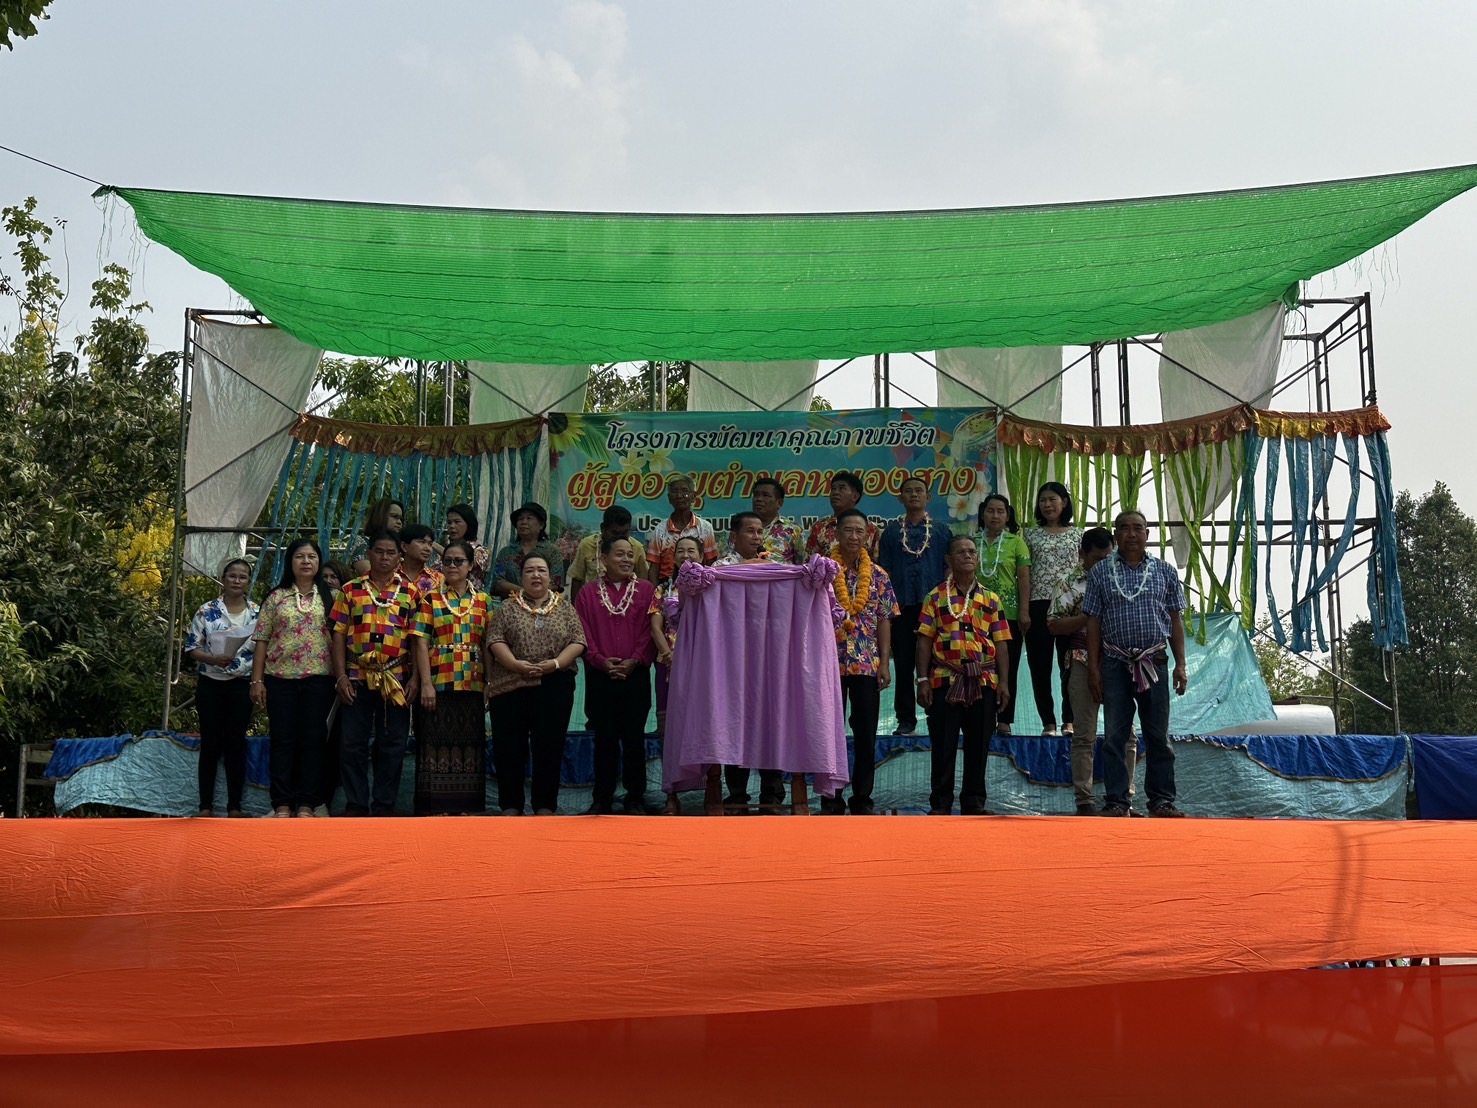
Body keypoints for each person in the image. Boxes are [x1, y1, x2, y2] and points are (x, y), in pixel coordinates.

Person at [1085, 511, 1189, 819]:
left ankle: (1161, 801)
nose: (1131, 534)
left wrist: (1181, 665)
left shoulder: (1165, 571)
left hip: (1154, 661)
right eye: (1125, 529)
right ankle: (1117, 801)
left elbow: (1175, 620)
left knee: (1158, 735)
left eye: (1138, 528)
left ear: (1147, 534)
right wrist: (1094, 669)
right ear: (1116, 535)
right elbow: (1093, 623)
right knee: (1114, 736)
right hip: (1115, 663)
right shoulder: (1100, 572)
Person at [915, 535, 1012, 815]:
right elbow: (924, 641)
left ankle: (974, 803)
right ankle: (941, 804)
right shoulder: (935, 597)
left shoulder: (991, 598)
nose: (968, 556)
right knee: (943, 744)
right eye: (961, 552)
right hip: (945, 679)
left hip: (983, 681)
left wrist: (1004, 683)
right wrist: (922, 680)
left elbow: (1002, 643)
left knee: (979, 745)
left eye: (972, 551)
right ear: (949, 560)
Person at [329, 531, 422, 816]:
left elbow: (418, 639)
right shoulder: (350, 590)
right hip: (356, 676)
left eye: (390, 552)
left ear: (399, 557)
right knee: (352, 743)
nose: (384, 557)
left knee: (393, 744)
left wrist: (416, 678)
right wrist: (341, 677)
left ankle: (384, 806)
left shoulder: (411, 592)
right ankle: (356, 804)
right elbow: (338, 634)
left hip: (396, 677)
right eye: (379, 551)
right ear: (369, 554)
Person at [486, 555, 586, 815]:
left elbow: (578, 641)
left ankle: (545, 806)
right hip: (511, 685)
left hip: (554, 684)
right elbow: (495, 640)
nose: (536, 575)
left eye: (541, 570)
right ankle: (510, 806)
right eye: (529, 570)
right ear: (521, 577)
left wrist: (555, 663)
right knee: (509, 747)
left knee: (549, 746)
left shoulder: (565, 608)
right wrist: (515, 665)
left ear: (551, 577)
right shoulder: (507, 608)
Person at [250, 538, 335, 818]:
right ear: (290, 562)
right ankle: (282, 804)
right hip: (280, 679)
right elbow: (262, 639)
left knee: (313, 741)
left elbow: (340, 638)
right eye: (300, 556)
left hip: (319, 680)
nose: (306, 561)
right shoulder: (276, 597)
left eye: (312, 556)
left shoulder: (332, 597)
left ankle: (308, 803)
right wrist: (257, 681)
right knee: (282, 741)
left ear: (319, 561)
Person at [823, 508, 899, 815]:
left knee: (866, 733)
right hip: (829, 663)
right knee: (830, 733)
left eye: (860, 531)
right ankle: (831, 798)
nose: (854, 536)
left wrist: (885, 663)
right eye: (848, 530)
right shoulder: (823, 571)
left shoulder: (878, 575)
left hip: (866, 663)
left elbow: (884, 620)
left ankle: (862, 798)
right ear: (836, 534)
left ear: (867, 536)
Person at [575, 536, 657, 814]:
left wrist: (635, 659)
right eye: (620, 554)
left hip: (636, 675)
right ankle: (602, 798)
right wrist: (599, 661)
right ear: (604, 559)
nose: (626, 560)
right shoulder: (587, 593)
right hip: (601, 675)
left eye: (630, 555)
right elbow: (582, 631)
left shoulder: (646, 590)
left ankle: (635, 798)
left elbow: (651, 630)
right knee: (604, 738)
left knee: (634, 738)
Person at [411, 540, 494, 815]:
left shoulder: (484, 600)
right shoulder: (430, 599)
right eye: (447, 561)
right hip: (439, 681)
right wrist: (426, 684)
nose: (453, 566)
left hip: (473, 682)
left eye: (459, 561)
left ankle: (466, 808)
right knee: (435, 742)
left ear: (471, 566)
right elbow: (420, 642)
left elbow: (488, 644)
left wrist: (490, 683)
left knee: (470, 744)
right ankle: (436, 808)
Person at [1046, 528, 1122, 815]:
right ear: (1082, 554)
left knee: (1124, 733)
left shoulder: (1123, 578)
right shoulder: (1068, 583)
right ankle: (1085, 801)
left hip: (1118, 660)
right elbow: (1053, 625)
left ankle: (1122, 799)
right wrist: (1088, 617)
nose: (1105, 563)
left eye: (1109, 557)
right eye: (1098, 558)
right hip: (1080, 659)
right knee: (1084, 734)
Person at [716, 513, 787, 809]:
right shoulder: (719, 569)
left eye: (760, 532)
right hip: (733, 660)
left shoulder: (774, 567)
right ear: (734, 537)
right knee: (735, 723)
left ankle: (772, 794)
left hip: (769, 658)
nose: (757, 537)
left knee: (771, 722)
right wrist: (753, 567)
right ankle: (736, 795)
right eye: (750, 531)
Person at [183, 559, 258, 817]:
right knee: (210, 743)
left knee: (236, 743)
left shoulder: (257, 612)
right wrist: (213, 659)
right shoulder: (206, 610)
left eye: (242, 577)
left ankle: (234, 807)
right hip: (211, 684)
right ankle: (205, 806)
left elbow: (263, 648)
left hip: (241, 684)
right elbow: (192, 648)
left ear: (248, 582)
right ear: (223, 579)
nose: (237, 581)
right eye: (232, 576)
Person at [877, 476, 948, 738]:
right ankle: (905, 719)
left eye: (919, 491)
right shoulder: (891, 533)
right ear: (900, 498)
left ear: (928, 498)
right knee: (904, 663)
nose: (914, 495)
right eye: (909, 491)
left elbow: (947, 568)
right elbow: (885, 572)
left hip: (934, 608)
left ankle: (937, 714)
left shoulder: (941, 531)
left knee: (935, 662)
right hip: (902, 607)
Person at [1023, 482, 1083, 735]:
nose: (1047, 505)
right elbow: (1024, 573)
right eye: (1043, 500)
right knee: (1040, 666)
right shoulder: (1029, 535)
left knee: (1070, 665)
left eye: (1052, 499)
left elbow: (1085, 569)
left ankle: (1069, 720)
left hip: (1070, 607)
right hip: (1038, 604)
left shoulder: (1078, 534)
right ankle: (1047, 722)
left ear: (1064, 502)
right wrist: (1024, 610)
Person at [650, 534, 704, 814]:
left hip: (703, 665)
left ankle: (712, 792)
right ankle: (671, 794)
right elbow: (655, 626)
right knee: (668, 730)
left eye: (691, 551)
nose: (686, 555)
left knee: (704, 725)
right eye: (680, 551)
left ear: (702, 556)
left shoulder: (712, 585)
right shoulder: (662, 588)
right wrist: (669, 655)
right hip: (668, 664)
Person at [975, 494, 1033, 735]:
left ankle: (1005, 720)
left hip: (1008, 614)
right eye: (990, 511)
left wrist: (1024, 611)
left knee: (1007, 667)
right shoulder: (972, 541)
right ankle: (982, 716)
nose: (995, 515)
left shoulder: (1016, 543)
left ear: (1008, 516)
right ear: (983, 514)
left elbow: (1024, 579)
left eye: (1000, 511)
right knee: (980, 667)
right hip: (975, 614)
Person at [317, 558, 353, 809]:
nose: (329, 582)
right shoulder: (309, 605)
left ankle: (324, 801)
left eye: (334, 577)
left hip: (345, 681)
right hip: (314, 679)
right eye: (325, 577)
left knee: (335, 742)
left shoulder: (353, 603)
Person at [646, 474, 719, 584]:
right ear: (669, 498)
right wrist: (656, 592)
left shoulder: (705, 527)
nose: (679, 496)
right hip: (666, 586)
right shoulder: (660, 529)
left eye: (684, 491)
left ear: (693, 497)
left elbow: (710, 563)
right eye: (675, 491)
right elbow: (654, 567)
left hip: (697, 584)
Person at [569, 505, 649, 600]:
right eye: (615, 533)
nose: (619, 538)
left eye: (624, 533)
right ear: (603, 529)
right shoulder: (587, 545)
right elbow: (577, 579)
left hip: (627, 604)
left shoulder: (637, 548)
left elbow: (643, 582)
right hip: (592, 603)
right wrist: (576, 607)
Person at [490, 501, 566, 597]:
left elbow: (556, 583)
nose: (524, 522)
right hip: (511, 603)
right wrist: (524, 593)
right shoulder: (505, 553)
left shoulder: (552, 551)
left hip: (543, 604)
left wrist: (534, 594)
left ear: (541, 525)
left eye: (529, 518)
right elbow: (498, 582)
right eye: (520, 519)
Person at [806, 471, 880, 559]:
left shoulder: (870, 528)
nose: (835, 492)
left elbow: (876, 561)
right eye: (833, 489)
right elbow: (809, 562)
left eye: (842, 488)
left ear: (855, 496)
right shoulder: (820, 527)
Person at [731, 477, 804, 563]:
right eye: (756, 495)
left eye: (766, 495)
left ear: (779, 503)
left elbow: (803, 565)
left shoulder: (793, 529)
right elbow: (730, 556)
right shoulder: (741, 525)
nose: (759, 499)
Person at [430, 503, 492, 589]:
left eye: (457, 522)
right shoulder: (444, 551)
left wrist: (432, 544)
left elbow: (468, 560)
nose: (452, 526)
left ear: (469, 524)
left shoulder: (480, 551)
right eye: (449, 522)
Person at [348, 497, 404, 576]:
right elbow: (370, 575)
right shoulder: (362, 542)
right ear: (380, 516)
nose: (399, 522)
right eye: (394, 516)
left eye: (401, 519)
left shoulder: (402, 545)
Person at [398, 522, 444, 595]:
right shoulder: (389, 574)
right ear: (404, 546)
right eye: (422, 542)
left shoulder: (438, 579)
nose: (428, 549)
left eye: (430, 544)